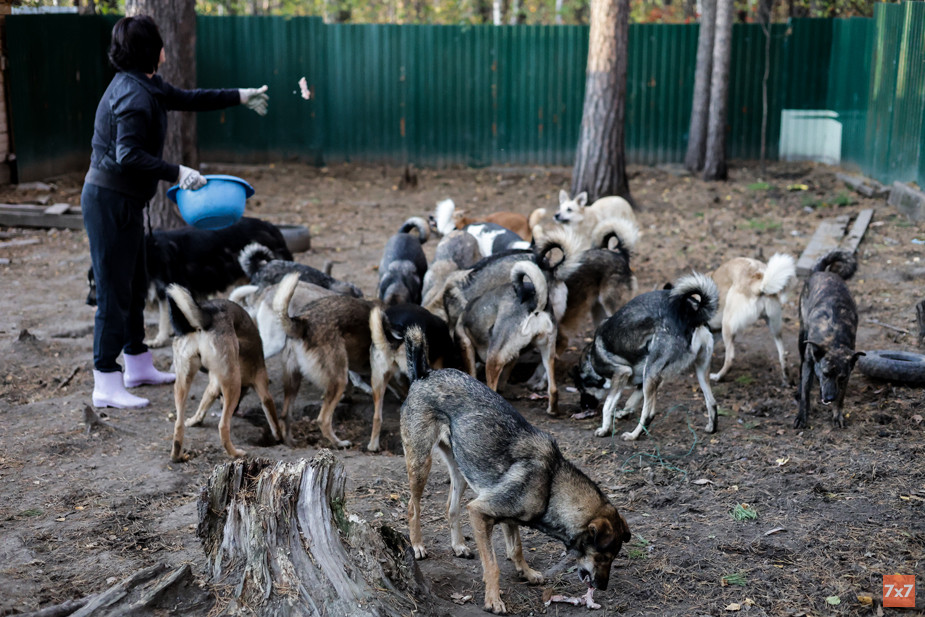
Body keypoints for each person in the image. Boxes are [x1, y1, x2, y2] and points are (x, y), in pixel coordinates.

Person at [82, 14, 270, 409]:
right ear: (154, 51)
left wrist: (241, 95)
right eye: (160, 42)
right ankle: (105, 380)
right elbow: (127, 154)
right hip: (108, 204)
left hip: (126, 203)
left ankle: (136, 363)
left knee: (134, 286)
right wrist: (178, 173)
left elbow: (189, 98)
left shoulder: (144, 84)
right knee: (114, 292)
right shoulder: (133, 96)